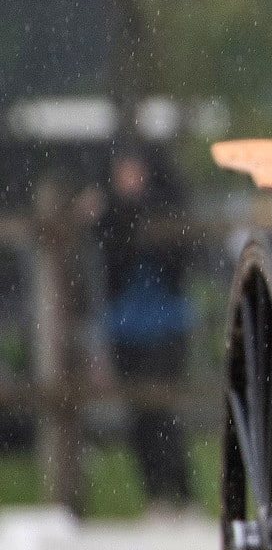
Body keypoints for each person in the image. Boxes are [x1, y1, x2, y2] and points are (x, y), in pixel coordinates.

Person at [86, 141, 195, 516]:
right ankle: (156, 495)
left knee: (163, 411)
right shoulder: (109, 213)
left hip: (165, 323)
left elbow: (177, 256)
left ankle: (180, 492)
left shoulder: (165, 208)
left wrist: (134, 206)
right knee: (138, 416)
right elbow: (109, 254)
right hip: (126, 326)